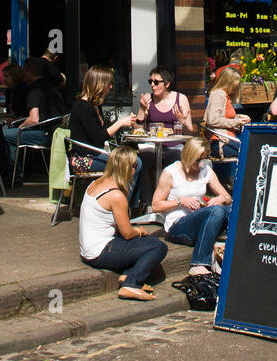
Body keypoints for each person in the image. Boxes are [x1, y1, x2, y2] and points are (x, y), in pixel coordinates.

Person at [79, 147, 168, 301]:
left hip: (88, 250)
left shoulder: (95, 183)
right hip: (100, 251)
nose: (136, 169)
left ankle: (128, 274)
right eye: (134, 166)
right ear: (126, 168)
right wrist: (139, 231)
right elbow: (127, 233)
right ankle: (131, 284)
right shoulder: (116, 195)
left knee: (147, 242)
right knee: (158, 247)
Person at [151, 136, 232, 279]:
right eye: (198, 160)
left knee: (229, 209)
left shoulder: (206, 171)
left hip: (199, 219)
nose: (201, 164)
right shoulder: (170, 173)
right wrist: (180, 201)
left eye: (205, 160)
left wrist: (221, 198)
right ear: (189, 156)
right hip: (178, 225)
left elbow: (228, 198)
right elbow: (156, 205)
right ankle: (199, 262)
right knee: (216, 211)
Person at [68, 65, 142, 205]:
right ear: (99, 84)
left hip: (95, 154)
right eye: (108, 83)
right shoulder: (82, 106)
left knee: (136, 161)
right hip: (83, 159)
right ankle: (123, 206)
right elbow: (98, 137)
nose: (111, 87)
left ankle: (127, 205)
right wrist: (120, 123)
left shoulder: (94, 105)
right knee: (134, 163)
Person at [1, 55, 67, 180]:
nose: (23, 75)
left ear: (30, 72)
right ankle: (15, 172)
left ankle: (13, 173)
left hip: (46, 134)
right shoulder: (50, 87)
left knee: (4, 134)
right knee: (9, 133)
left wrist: (19, 127)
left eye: (24, 71)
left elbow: (33, 119)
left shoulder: (34, 90)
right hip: (57, 133)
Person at [204, 67, 251, 187]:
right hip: (220, 142)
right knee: (251, 150)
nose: (237, 86)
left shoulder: (224, 95)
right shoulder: (219, 94)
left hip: (227, 139)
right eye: (235, 83)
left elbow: (224, 117)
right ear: (229, 82)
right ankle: (242, 187)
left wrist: (239, 118)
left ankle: (238, 185)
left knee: (251, 147)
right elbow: (213, 120)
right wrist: (236, 122)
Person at [138, 66, 194, 134]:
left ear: (167, 84)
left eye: (156, 82)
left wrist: (183, 123)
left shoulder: (181, 99)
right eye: (150, 81)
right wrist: (142, 109)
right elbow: (138, 130)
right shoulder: (148, 100)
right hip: (153, 140)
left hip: (175, 140)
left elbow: (190, 132)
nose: (152, 85)